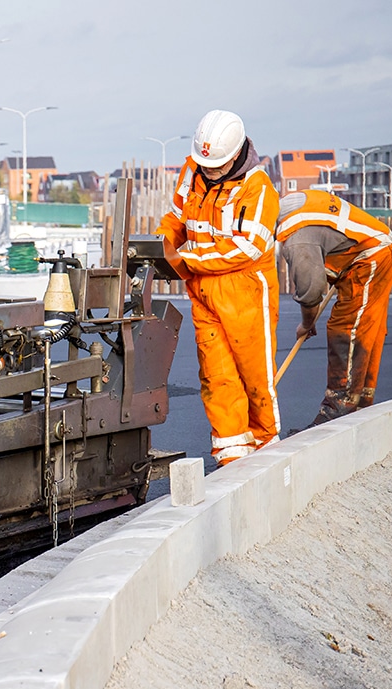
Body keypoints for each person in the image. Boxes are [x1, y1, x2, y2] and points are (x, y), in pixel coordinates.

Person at [157, 109, 281, 465]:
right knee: (216, 376)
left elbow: (246, 248)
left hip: (245, 292)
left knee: (255, 377)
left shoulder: (258, 188)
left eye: (216, 166)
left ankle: (266, 449)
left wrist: (183, 259)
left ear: (237, 154)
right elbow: (177, 218)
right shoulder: (193, 169)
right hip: (203, 292)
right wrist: (160, 246)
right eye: (205, 164)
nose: (208, 171)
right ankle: (232, 457)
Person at [275, 189, 392, 426]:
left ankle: (338, 409)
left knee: (348, 328)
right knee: (366, 329)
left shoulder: (296, 239)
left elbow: (311, 291)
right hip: (370, 246)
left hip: (370, 255)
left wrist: (306, 323)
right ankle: (361, 404)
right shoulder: (291, 202)